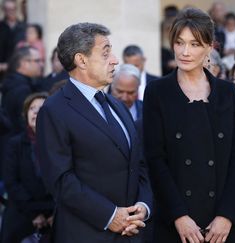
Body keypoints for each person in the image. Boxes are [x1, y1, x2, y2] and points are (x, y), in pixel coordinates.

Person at [36, 22, 153, 243]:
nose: (115, 60)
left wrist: (143, 207)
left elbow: (139, 164)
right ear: (81, 60)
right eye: (106, 53)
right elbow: (61, 180)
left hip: (133, 234)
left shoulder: (117, 105)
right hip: (85, 235)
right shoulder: (54, 109)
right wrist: (111, 216)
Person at [143, 8, 235, 243]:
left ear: (210, 47)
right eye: (179, 43)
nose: (185, 52)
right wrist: (178, 215)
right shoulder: (157, 92)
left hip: (223, 226)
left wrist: (227, 215)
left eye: (194, 44)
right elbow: (155, 159)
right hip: (175, 224)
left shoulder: (228, 93)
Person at [1, 92, 54, 243]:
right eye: (32, 108)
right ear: (26, 114)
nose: (36, 112)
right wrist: (34, 214)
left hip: (54, 217)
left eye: (41, 108)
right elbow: (11, 182)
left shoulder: (60, 144)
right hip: (21, 215)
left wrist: (55, 212)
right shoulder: (14, 144)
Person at [1, 46, 43, 134]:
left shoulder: (13, 82)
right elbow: (23, 124)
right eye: (37, 61)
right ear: (24, 63)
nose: (41, 64)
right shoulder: (22, 89)